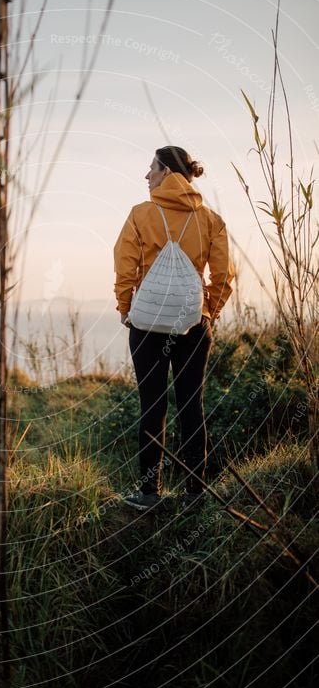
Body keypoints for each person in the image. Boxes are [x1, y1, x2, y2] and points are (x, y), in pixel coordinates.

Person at [113, 146, 235, 513]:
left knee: (153, 405)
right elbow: (224, 274)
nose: (146, 174)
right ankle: (194, 494)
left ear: (166, 171)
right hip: (192, 326)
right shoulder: (211, 220)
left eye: (151, 167)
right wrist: (209, 311)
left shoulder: (141, 214)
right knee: (191, 406)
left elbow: (126, 266)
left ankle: (150, 494)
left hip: (148, 325)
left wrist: (125, 307)